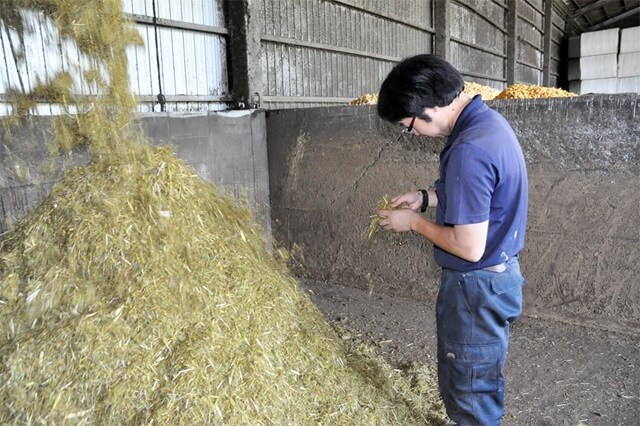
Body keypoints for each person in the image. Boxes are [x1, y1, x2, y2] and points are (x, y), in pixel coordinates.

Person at [375, 54, 528, 425]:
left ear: (428, 107)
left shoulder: (469, 151)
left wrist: (413, 223)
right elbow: (478, 196)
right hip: (497, 276)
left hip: (476, 285)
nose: (411, 134)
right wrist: (426, 198)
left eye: (408, 127)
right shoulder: (487, 125)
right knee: (476, 380)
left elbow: (469, 246)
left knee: (470, 391)